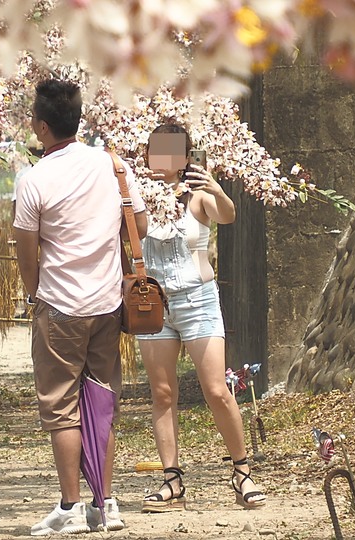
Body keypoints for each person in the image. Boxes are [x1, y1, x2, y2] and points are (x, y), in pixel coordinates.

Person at [14, 78, 147, 535]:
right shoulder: (111, 165)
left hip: (60, 306)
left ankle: (70, 507)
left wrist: (36, 293)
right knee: (101, 399)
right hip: (108, 303)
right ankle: (106, 504)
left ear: (42, 126)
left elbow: (26, 254)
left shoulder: (33, 180)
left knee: (62, 407)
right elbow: (140, 225)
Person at [138, 124, 266, 512]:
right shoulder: (137, 197)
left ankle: (242, 472)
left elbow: (227, 216)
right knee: (162, 394)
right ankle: (171, 479)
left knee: (215, 389)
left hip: (197, 300)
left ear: (184, 157)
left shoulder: (198, 196)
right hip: (153, 304)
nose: (161, 160)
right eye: (154, 152)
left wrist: (215, 187)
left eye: (170, 152)